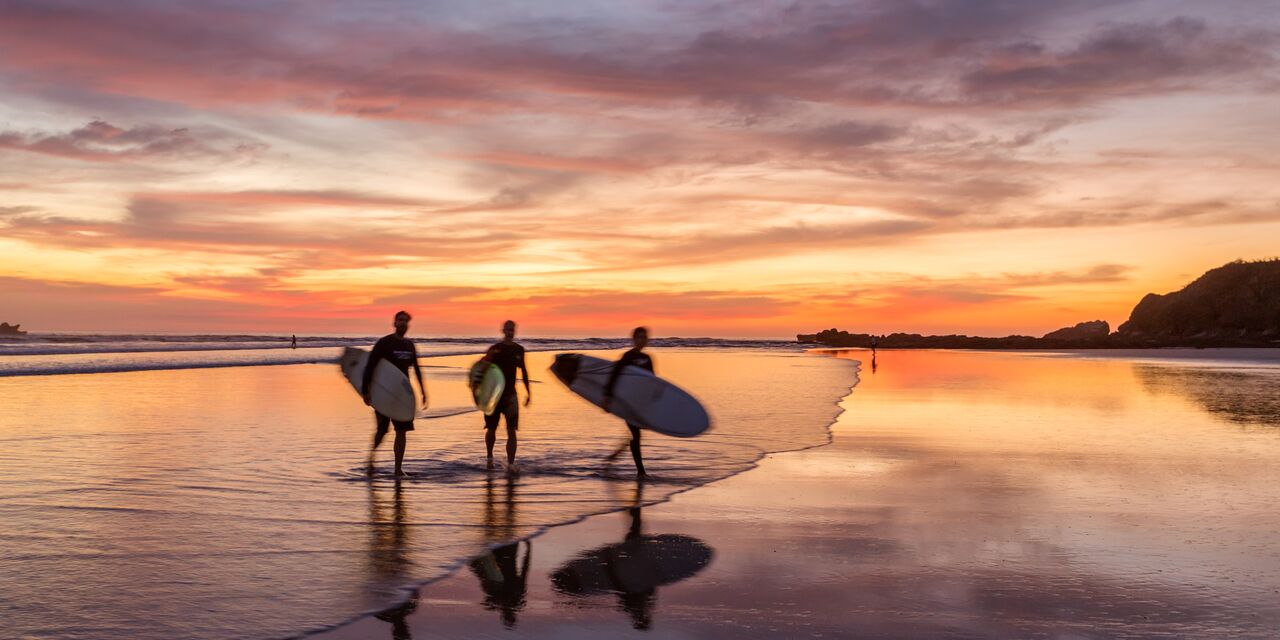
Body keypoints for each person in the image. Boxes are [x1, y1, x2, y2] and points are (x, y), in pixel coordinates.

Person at [362, 310, 427, 477]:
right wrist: (365, 391)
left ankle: (398, 468)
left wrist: (423, 391)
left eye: (406, 321)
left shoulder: (409, 345)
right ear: (394, 323)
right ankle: (371, 459)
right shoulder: (384, 343)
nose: (403, 323)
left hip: (402, 396)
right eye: (400, 320)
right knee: (383, 430)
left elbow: (417, 369)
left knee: (402, 431)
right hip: (383, 394)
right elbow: (370, 366)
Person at [603, 326, 652, 479]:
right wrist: (607, 397)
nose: (641, 340)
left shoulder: (648, 359)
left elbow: (652, 382)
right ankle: (641, 472)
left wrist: (652, 403)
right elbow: (614, 377)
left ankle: (614, 456)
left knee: (635, 434)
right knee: (636, 435)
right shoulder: (627, 357)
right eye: (639, 337)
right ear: (633, 339)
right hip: (627, 402)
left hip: (640, 403)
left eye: (644, 337)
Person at [482, 320, 530, 472]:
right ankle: (489, 459)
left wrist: (529, 392)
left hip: (511, 395)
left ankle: (510, 464)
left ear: (514, 331)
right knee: (491, 428)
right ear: (503, 330)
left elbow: (524, 371)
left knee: (512, 430)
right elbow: (482, 368)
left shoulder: (519, 350)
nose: (510, 332)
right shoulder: (495, 349)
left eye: (512, 329)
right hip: (494, 396)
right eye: (508, 329)